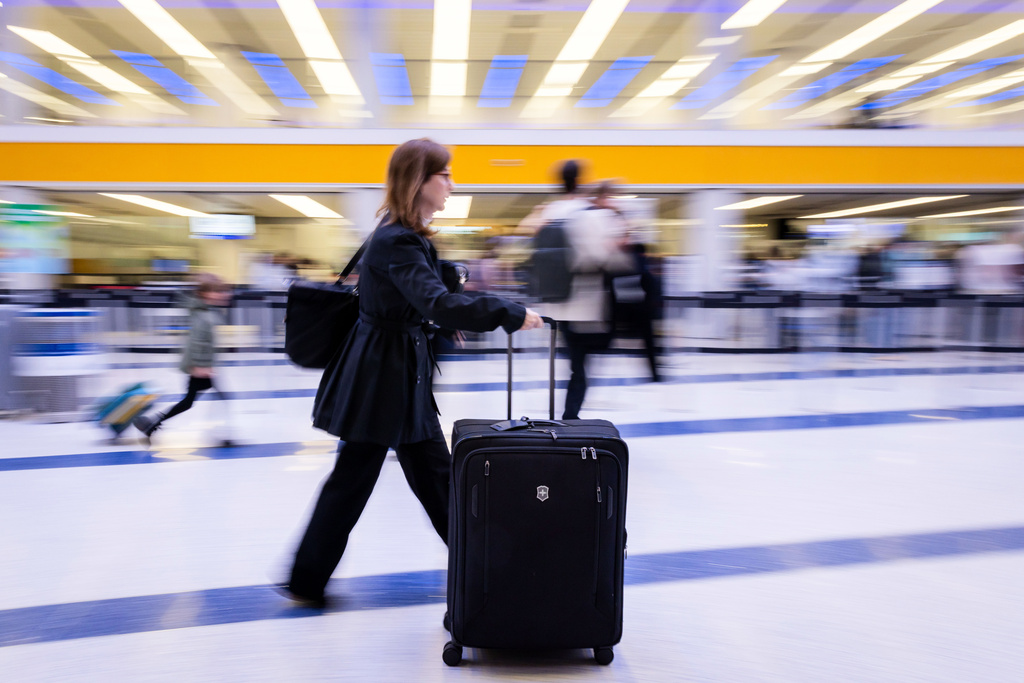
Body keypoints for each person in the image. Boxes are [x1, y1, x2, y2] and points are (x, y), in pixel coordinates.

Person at [280, 138, 543, 608]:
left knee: (405, 480)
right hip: (385, 379)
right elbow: (435, 301)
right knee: (388, 480)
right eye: (444, 175)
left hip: (391, 373)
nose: (451, 184)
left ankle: (308, 579)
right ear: (418, 181)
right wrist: (506, 311)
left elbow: (421, 299)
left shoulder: (402, 234)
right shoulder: (397, 239)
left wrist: (443, 311)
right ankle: (489, 571)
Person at [536, 162, 632, 420]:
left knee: (574, 364)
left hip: (555, 304)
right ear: (580, 180)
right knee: (581, 368)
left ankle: (567, 414)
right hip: (586, 306)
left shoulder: (549, 211)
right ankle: (570, 417)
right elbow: (605, 257)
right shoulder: (588, 212)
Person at [132, 273, 233, 445]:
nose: (224, 295)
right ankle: (151, 423)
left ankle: (151, 423)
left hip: (201, 366)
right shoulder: (204, 316)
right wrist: (201, 366)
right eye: (219, 292)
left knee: (191, 401)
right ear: (206, 294)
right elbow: (197, 342)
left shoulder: (202, 310)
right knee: (197, 400)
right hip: (201, 368)